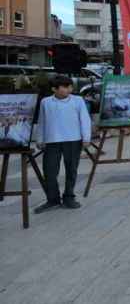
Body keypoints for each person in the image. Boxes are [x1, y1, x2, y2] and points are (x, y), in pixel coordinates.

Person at [34, 75, 92, 213]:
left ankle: (69, 197)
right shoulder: (45, 102)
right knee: (49, 171)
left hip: (73, 140)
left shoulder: (78, 101)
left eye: (70, 86)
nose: (69, 89)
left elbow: (85, 119)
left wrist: (86, 138)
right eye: (65, 87)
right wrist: (40, 139)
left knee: (71, 169)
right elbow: (42, 121)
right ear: (54, 89)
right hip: (52, 140)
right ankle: (52, 199)